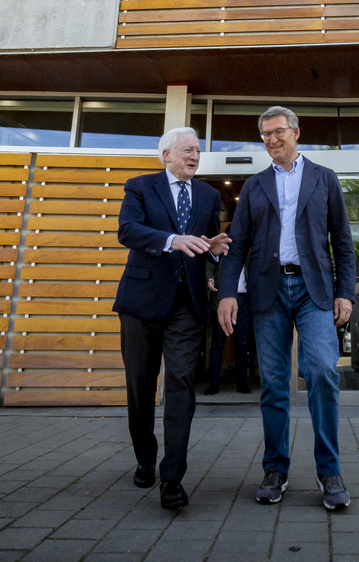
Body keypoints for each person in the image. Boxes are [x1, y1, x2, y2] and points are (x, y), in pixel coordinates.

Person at [217, 106, 356, 510]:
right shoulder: (255, 184)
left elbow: (342, 241)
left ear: (296, 132)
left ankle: (328, 469)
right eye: (265, 135)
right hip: (268, 290)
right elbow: (237, 243)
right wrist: (228, 291)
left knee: (322, 371)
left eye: (278, 132)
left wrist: (344, 291)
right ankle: (275, 469)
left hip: (314, 291)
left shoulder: (323, 178)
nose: (272, 140)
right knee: (275, 383)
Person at [113, 127, 230, 510]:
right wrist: (172, 240)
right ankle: (145, 458)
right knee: (141, 387)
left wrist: (214, 251)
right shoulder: (141, 186)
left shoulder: (210, 195)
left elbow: (210, 245)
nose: (195, 156)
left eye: (198, 151)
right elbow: (127, 231)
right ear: (166, 154)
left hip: (187, 305)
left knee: (181, 386)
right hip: (142, 301)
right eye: (187, 150)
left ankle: (171, 477)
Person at [205, 269, 252, 395]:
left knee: (242, 344)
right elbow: (209, 262)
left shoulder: (246, 254)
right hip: (221, 300)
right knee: (217, 344)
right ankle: (213, 384)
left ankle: (241, 383)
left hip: (242, 300)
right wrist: (209, 277)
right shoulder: (221, 251)